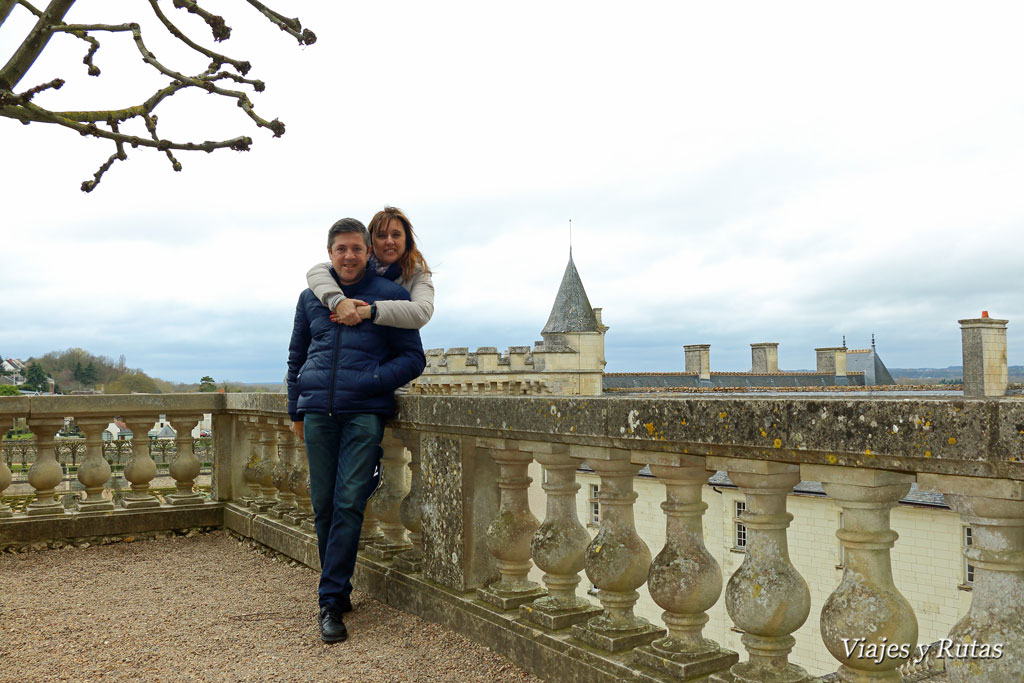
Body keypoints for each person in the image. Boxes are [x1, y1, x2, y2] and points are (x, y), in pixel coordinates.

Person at [287, 218, 426, 644]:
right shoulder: (311, 297)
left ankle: (329, 601)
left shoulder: (390, 296)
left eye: (356, 249)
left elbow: (412, 359)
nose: (349, 256)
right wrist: (296, 410)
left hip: (364, 413)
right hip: (317, 414)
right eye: (340, 249)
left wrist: (370, 381)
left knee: (348, 501)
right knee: (323, 505)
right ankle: (339, 588)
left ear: (368, 252)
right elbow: (296, 357)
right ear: (330, 253)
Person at [306, 206, 434, 330]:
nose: (389, 241)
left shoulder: (417, 273)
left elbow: (422, 312)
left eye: (396, 235)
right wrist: (338, 302)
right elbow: (317, 272)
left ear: (406, 239)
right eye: (382, 236)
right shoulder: (357, 266)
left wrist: (370, 311)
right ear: (371, 241)